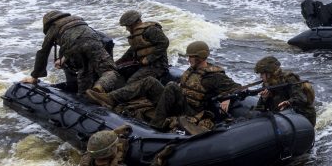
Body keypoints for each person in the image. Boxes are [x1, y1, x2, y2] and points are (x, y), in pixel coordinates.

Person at [89, 41, 240, 131]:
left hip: (190, 110)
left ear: (200, 56)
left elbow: (237, 88)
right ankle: (110, 98)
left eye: (191, 57)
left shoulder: (214, 76)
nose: (188, 60)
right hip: (177, 102)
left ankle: (157, 123)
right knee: (149, 81)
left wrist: (228, 98)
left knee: (172, 86)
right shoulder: (192, 69)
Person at [22, 10, 122, 96]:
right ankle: (99, 87)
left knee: (84, 72)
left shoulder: (54, 27)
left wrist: (35, 77)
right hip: (94, 42)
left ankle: (85, 96)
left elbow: (43, 52)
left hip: (75, 49)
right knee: (109, 71)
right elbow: (85, 37)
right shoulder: (79, 20)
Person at [253, 56, 317, 126]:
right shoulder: (267, 84)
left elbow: (301, 98)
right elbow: (261, 108)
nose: (260, 76)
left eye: (262, 73)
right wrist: (263, 99)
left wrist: (289, 102)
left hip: (302, 118)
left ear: (269, 73)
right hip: (283, 118)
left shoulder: (289, 79)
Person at [114, 10, 170, 84]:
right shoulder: (137, 34)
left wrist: (149, 58)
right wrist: (118, 62)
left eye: (127, 26)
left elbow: (164, 43)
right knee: (120, 73)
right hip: (142, 65)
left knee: (132, 82)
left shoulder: (151, 30)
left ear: (133, 24)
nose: (126, 29)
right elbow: (132, 50)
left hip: (157, 65)